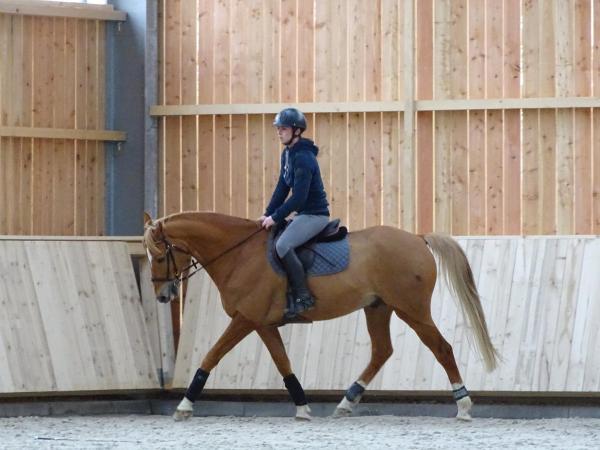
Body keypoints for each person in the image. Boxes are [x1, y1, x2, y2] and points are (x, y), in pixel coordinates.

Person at [260, 108, 330, 318]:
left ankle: (302, 297)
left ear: (297, 131)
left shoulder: (304, 158)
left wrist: (276, 217)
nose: (279, 132)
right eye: (278, 129)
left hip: (315, 215)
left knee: (283, 245)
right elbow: (282, 188)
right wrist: (267, 213)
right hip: (303, 215)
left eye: (283, 128)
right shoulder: (288, 154)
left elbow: (298, 197)